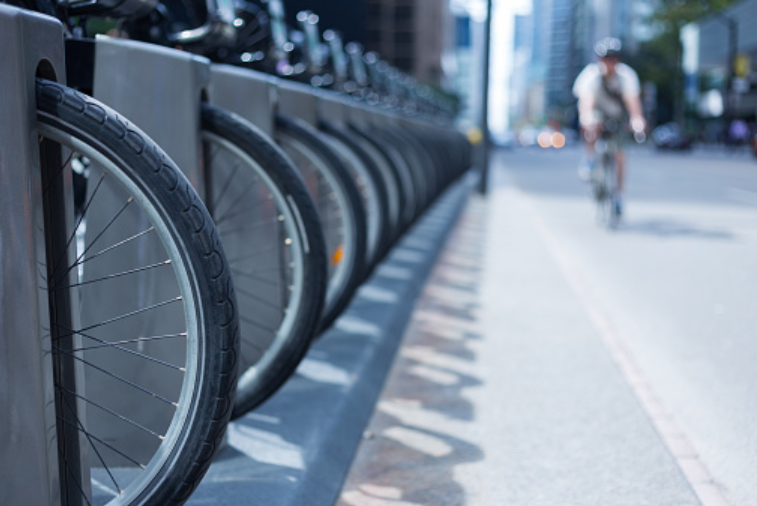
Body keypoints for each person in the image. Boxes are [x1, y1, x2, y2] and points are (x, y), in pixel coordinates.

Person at [572, 37, 645, 218]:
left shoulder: (626, 76)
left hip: (617, 117)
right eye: (605, 58)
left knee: (620, 155)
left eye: (613, 59)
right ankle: (589, 160)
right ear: (599, 59)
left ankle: (618, 195)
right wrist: (587, 118)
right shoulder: (590, 75)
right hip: (597, 114)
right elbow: (586, 102)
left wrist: (637, 120)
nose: (609, 63)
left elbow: (633, 103)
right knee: (592, 124)